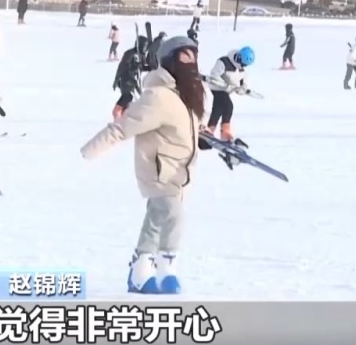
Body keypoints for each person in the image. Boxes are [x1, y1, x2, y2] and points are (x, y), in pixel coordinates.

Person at [81, 35, 214, 295]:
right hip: (158, 171)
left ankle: (140, 271)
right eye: (185, 56)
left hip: (180, 171)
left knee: (156, 219)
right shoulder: (158, 97)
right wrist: (88, 152)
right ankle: (166, 269)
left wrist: (204, 136)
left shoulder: (188, 94)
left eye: (194, 56)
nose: (191, 62)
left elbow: (190, 126)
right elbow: (122, 128)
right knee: (173, 215)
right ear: (170, 61)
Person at [206, 46, 255, 140]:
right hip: (217, 89)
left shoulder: (241, 69)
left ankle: (210, 129)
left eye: (245, 65)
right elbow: (214, 75)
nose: (242, 65)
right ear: (239, 57)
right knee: (228, 106)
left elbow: (243, 83)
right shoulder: (224, 62)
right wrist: (226, 85)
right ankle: (225, 132)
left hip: (226, 91)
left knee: (218, 109)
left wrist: (242, 89)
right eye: (242, 63)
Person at [112, 36, 148, 119]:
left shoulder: (141, 55)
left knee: (130, 101)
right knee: (127, 96)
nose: (145, 48)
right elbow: (123, 66)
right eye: (144, 45)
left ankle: (123, 117)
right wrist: (116, 79)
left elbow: (142, 67)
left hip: (134, 80)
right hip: (126, 79)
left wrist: (151, 67)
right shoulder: (130, 53)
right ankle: (117, 114)